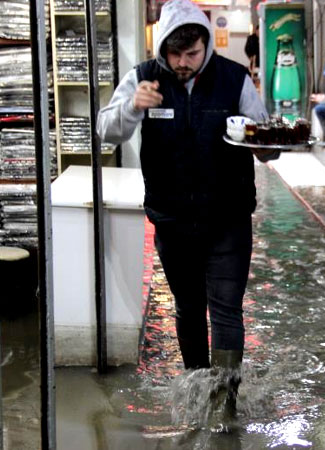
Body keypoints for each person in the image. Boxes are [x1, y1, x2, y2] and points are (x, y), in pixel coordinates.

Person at [96, 0, 276, 432]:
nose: (182, 63)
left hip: (228, 217)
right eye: (174, 54)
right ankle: (198, 385)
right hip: (173, 219)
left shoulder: (234, 78)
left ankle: (225, 403)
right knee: (189, 308)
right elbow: (105, 131)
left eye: (191, 54)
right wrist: (131, 108)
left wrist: (267, 143)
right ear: (162, 47)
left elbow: (266, 141)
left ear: (205, 46)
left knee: (227, 311)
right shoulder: (143, 78)